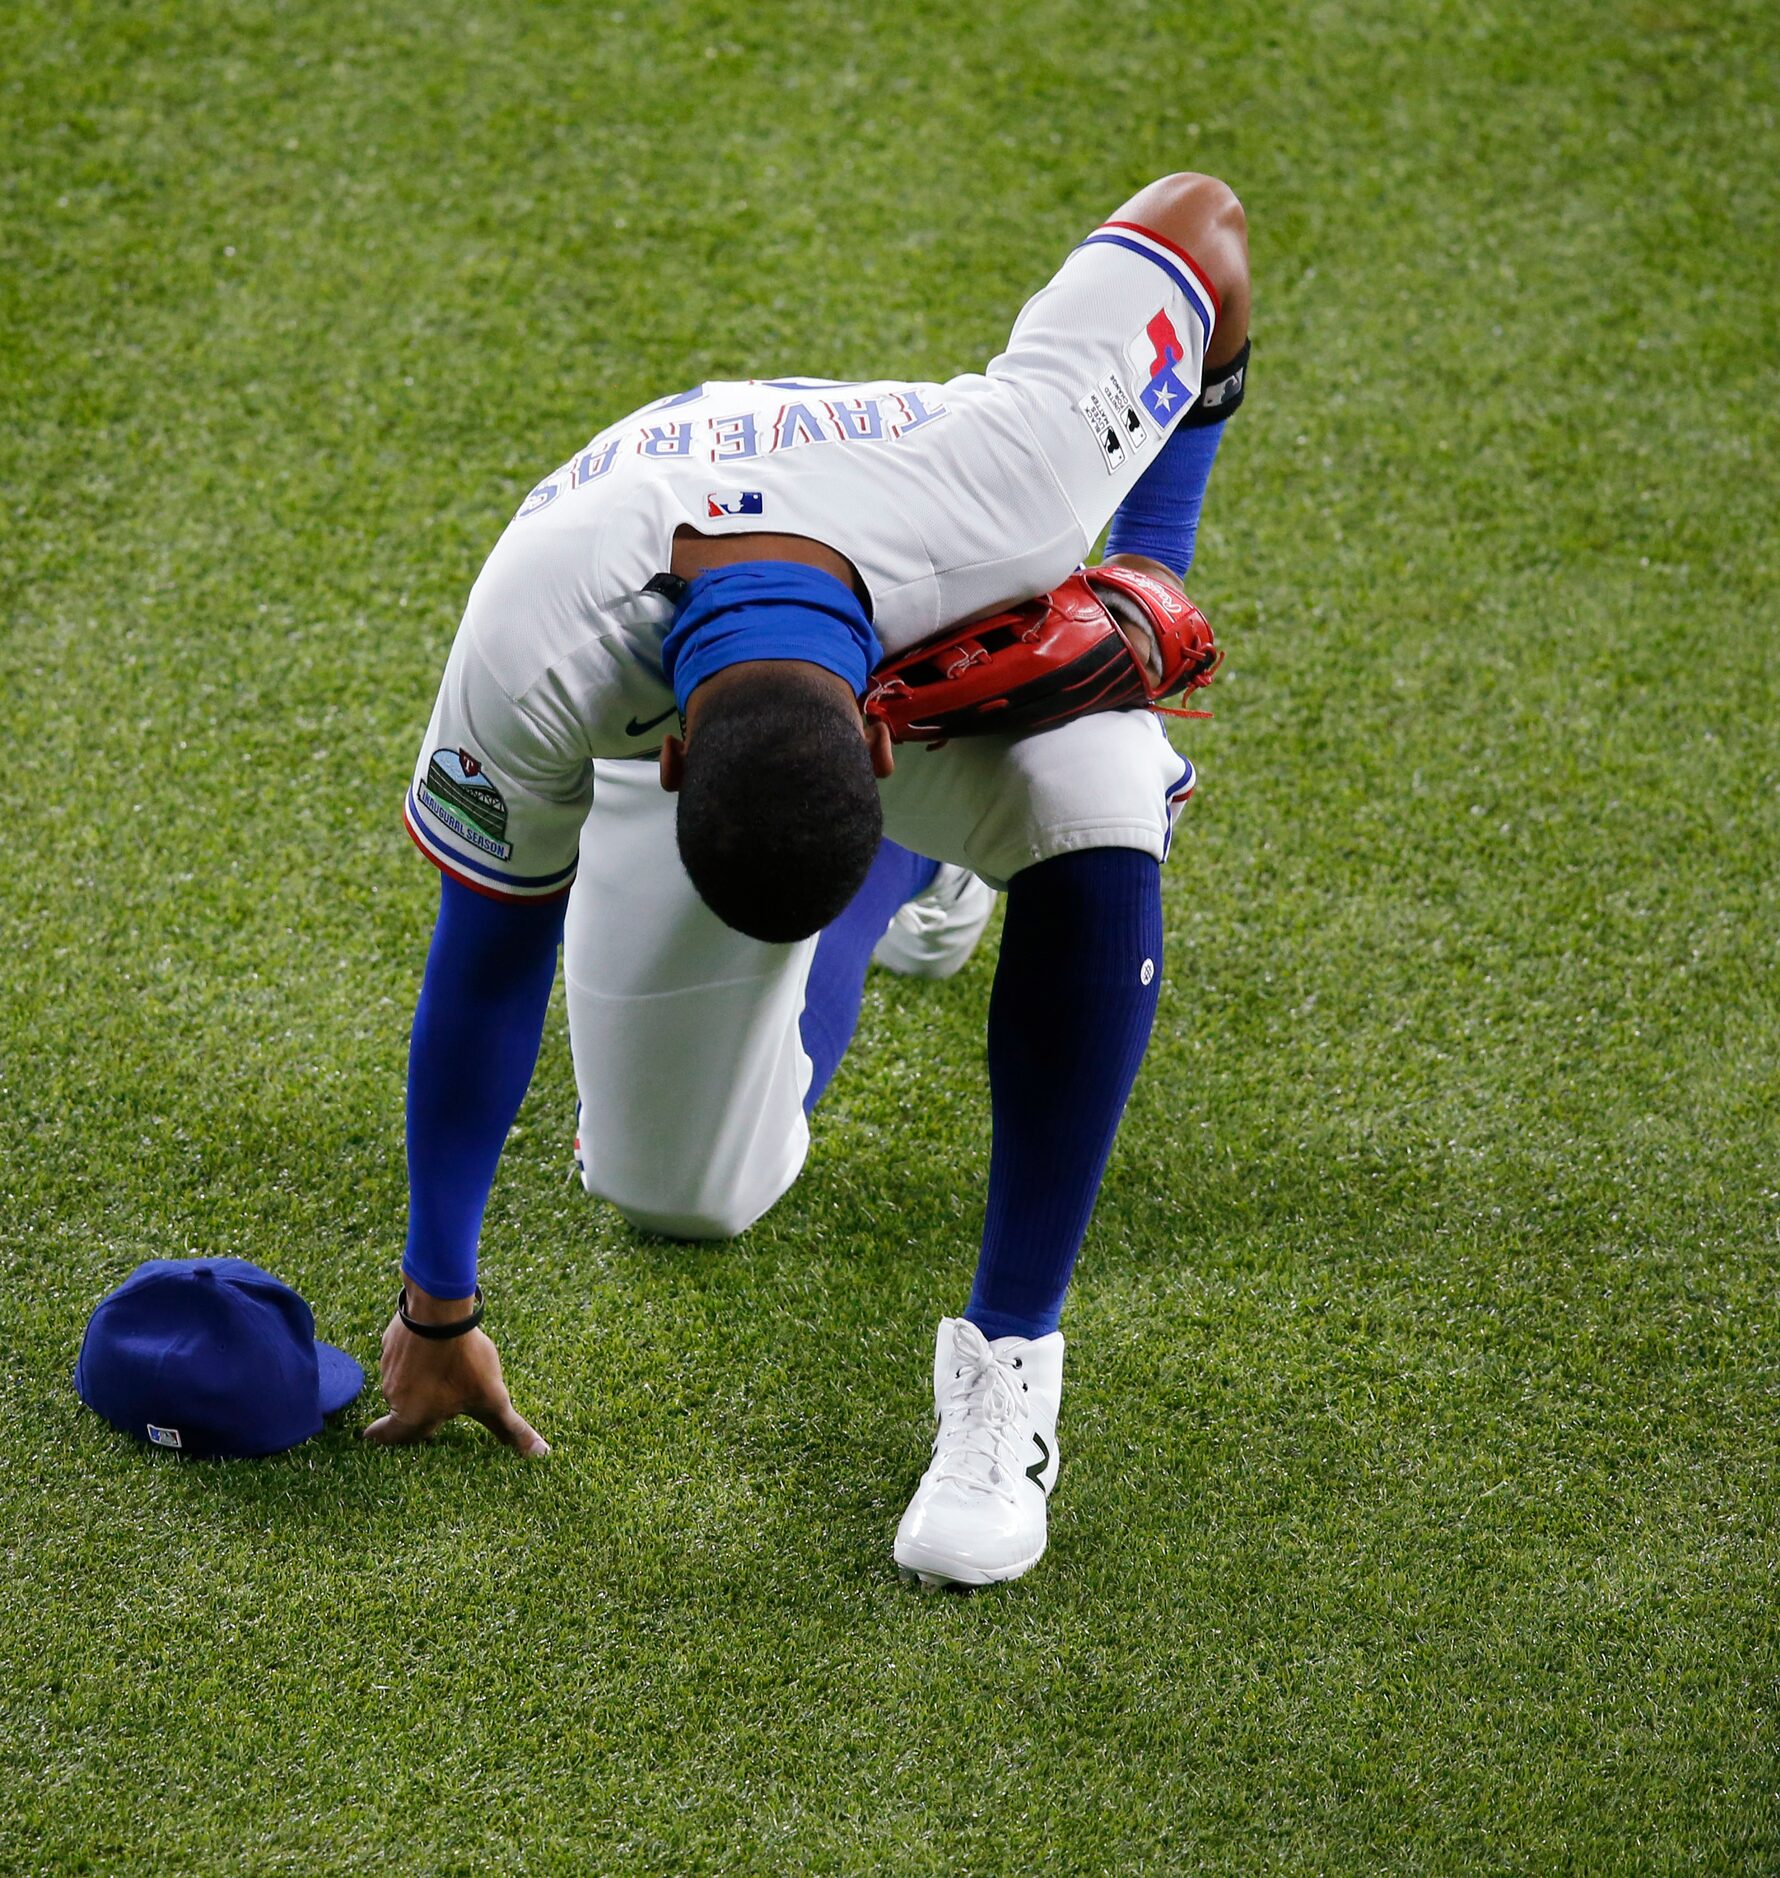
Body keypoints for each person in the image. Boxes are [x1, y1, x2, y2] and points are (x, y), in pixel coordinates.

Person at [364, 174, 1252, 1587]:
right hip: (683, 647)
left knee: (1101, 790)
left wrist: (1150, 559)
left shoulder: (1017, 473)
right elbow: (486, 952)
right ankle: (897, 877)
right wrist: (434, 1299)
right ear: (665, 774)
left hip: (938, 621)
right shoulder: (535, 648)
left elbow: (1202, 223)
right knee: (680, 1197)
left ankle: (1011, 1363)